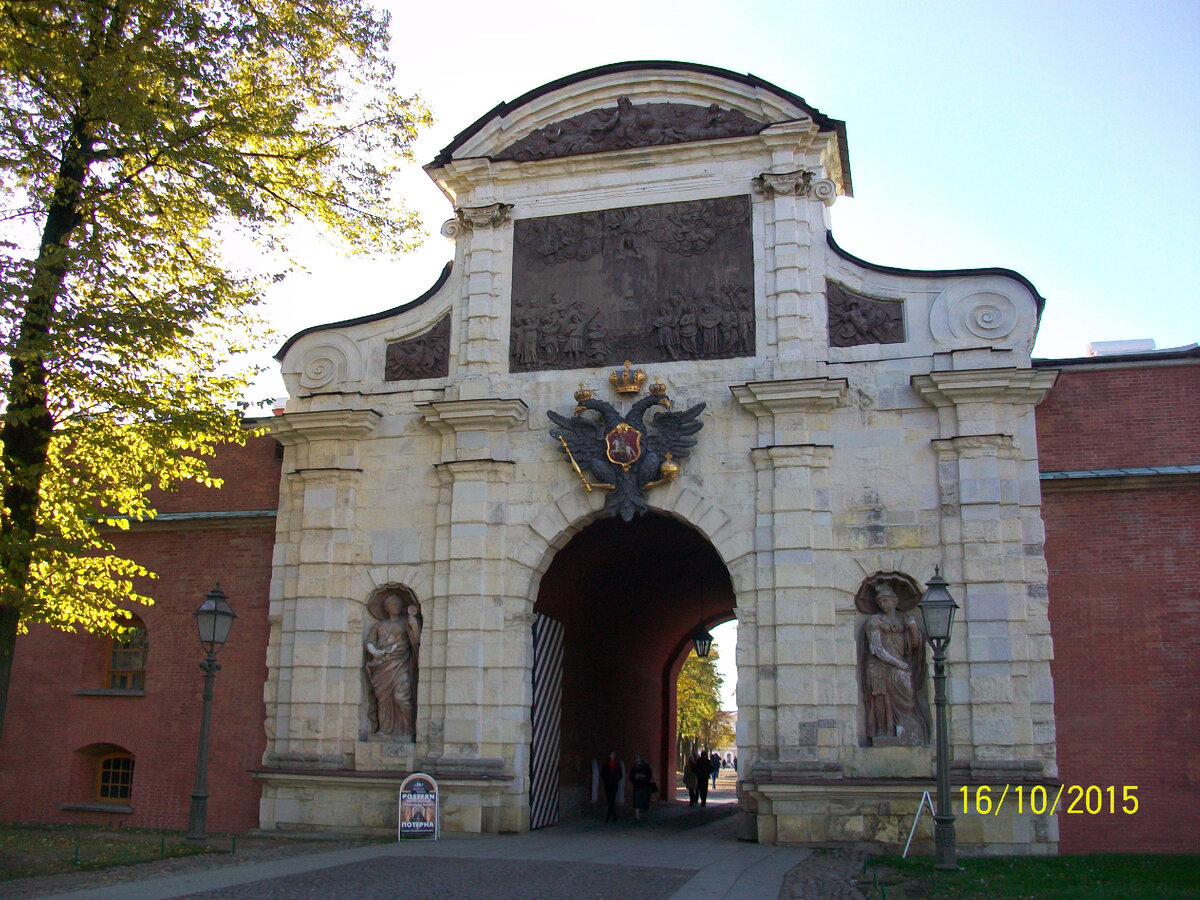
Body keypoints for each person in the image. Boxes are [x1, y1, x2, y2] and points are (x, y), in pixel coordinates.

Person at [861, 581, 929, 745]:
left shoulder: (905, 620)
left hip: (901, 664)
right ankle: (886, 731)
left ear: (895, 601)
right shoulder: (874, 622)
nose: (883, 604)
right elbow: (876, 648)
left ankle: (907, 725)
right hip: (880, 668)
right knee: (883, 699)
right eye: (880, 602)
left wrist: (912, 629)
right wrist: (897, 663)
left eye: (886, 600)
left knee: (906, 688)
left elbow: (914, 645)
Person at [365, 592, 422, 738]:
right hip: (382, 666)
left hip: (401, 664)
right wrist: (374, 651)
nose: (397, 606)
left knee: (401, 697)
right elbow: (369, 642)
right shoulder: (379, 626)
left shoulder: (405, 623)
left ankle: (407, 729)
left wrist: (414, 625)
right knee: (383, 700)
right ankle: (384, 729)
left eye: (398, 604)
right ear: (386, 607)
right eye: (393, 604)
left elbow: (415, 641)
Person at [600, 750, 623, 823]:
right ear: (609, 755)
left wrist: (616, 778)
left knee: (612, 799)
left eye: (614, 755)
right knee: (610, 800)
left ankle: (608, 816)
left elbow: (620, 775)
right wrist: (606, 779)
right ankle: (614, 816)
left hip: (614, 783)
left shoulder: (617, 764)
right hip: (607, 784)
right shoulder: (606, 764)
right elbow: (602, 773)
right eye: (612, 754)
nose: (613, 756)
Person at [630, 752, 654, 821]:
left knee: (644, 800)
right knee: (636, 801)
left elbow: (649, 775)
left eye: (637, 757)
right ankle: (637, 817)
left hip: (644, 786)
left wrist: (643, 776)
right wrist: (635, 777)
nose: (636, 758)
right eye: (635, 757)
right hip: (637, 786)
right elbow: (631, 776)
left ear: (640, 758)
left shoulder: (646, 766)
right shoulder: (634, 767)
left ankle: (645, 814)